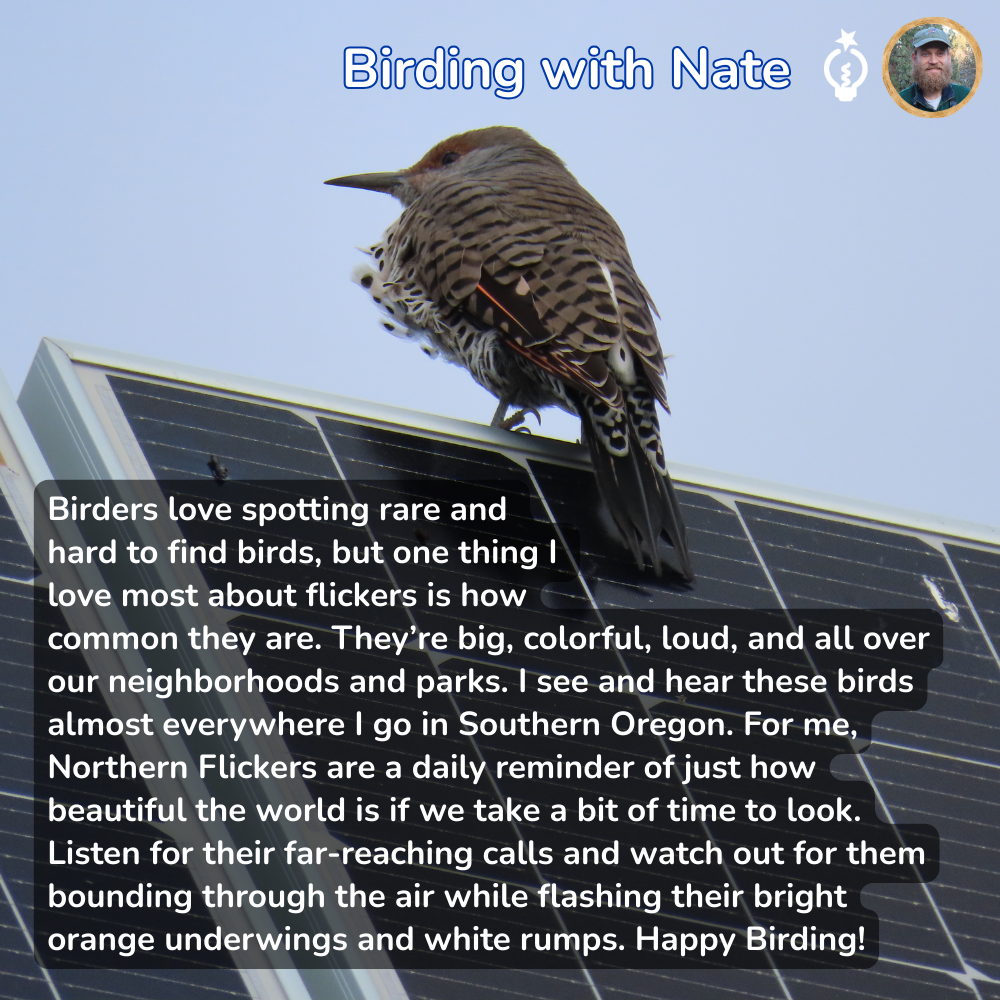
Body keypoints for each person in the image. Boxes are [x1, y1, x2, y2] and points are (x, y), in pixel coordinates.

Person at [898, 26, 971, 111]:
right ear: (915, 59)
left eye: (940, 54)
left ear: (949, 58)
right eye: (925, 54)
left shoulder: (967, 97)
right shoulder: (900, 101)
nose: (933, 61)